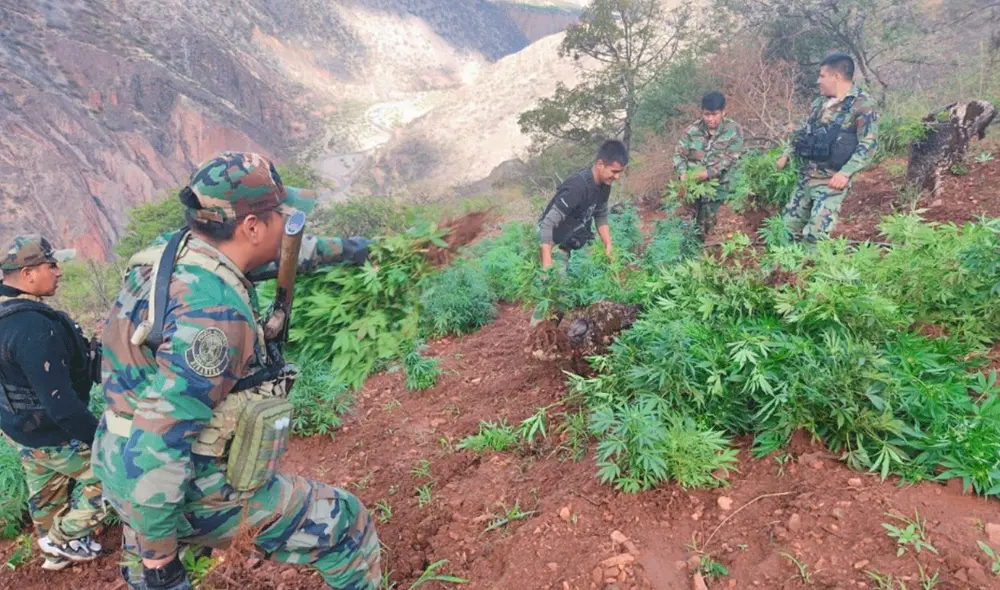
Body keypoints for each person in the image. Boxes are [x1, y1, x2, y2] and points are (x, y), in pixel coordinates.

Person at [91, 151, 381, 590]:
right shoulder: (214, 316)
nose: (290, 222)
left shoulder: (176, 249)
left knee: (147, 545)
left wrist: (350, 251)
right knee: (345, 524)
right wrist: (161, 566)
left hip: (116, 457)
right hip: (171, 480)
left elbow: (278, 255)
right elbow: (160, 443)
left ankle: (147, 553)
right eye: (282, 214)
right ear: (251, 227)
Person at [0, 235, 106, 570]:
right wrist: (103, 440)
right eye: (51, 265)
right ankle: (60, 539)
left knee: (45, 491)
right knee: (117, 476)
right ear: (29, 273)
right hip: (54, 431)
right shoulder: (32, 327)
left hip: (20, 432)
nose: (59, 271)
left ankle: (54, 555)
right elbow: (63, 406)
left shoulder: (6, 317)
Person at [778, 52, 879, 241]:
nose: (818, 81)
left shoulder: (863, 105)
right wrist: (786, 154)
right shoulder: (819, 104)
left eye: (822, 76)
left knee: (815, 236)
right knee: (786, 230)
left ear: (837, 77)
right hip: (806, 176)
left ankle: (811, 268)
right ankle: (783, 270)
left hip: (831, 180)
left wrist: (845, 173)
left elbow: (869, 143)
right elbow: (804, 132)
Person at [530, 140, 629, 328]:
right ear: (600, 164)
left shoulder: (603, 186)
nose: (616, 177)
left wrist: (608, 245)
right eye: (614, 172)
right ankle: (537, 336)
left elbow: (600, 213)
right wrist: (547, 264)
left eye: (619, 172)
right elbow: (547, 224)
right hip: (551, 241)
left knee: (565, 295)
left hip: (569, 240)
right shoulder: (577, 187)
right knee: (558, 291)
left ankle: (549, 332)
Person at [673, 91, 745, 238]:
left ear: (723, 112)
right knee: (685, 226)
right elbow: (679, 155)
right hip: (691, 188)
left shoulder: (733, 130)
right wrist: (682, 173)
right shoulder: (691, 131)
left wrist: (708, 173)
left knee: (707, 228)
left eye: (714, 114)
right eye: (706, 114)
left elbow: (730, 158)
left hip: (717, 189)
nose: (710, 119)